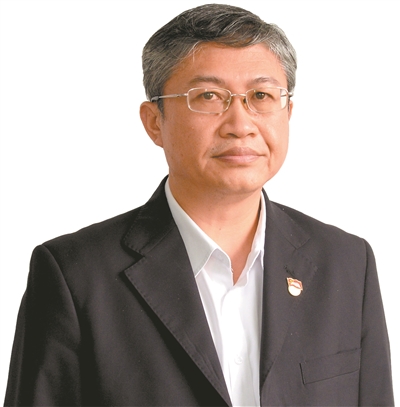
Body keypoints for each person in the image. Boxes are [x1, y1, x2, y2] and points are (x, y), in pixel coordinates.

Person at [4, 3, 394, 406]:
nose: (240, 125)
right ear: (154, 121)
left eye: (261, 96)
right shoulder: (76, 275)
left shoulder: (347, 264)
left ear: (288, 112)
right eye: (208, 96)